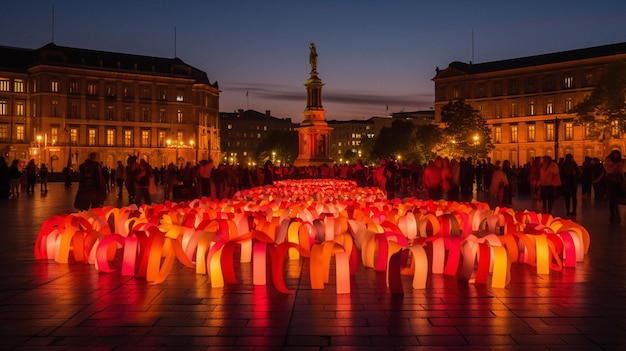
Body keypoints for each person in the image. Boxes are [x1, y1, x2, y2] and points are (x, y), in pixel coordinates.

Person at [603, 150, 625, 224]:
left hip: (618, 179)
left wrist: (624, 179)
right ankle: (613, 213)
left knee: (617, 197)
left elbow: (621, 171)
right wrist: (616, 165)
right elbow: (608, 170)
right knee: (612, 197)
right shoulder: (608, 160)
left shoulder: (619, 161)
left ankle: (616, 212)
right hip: (611, 180)